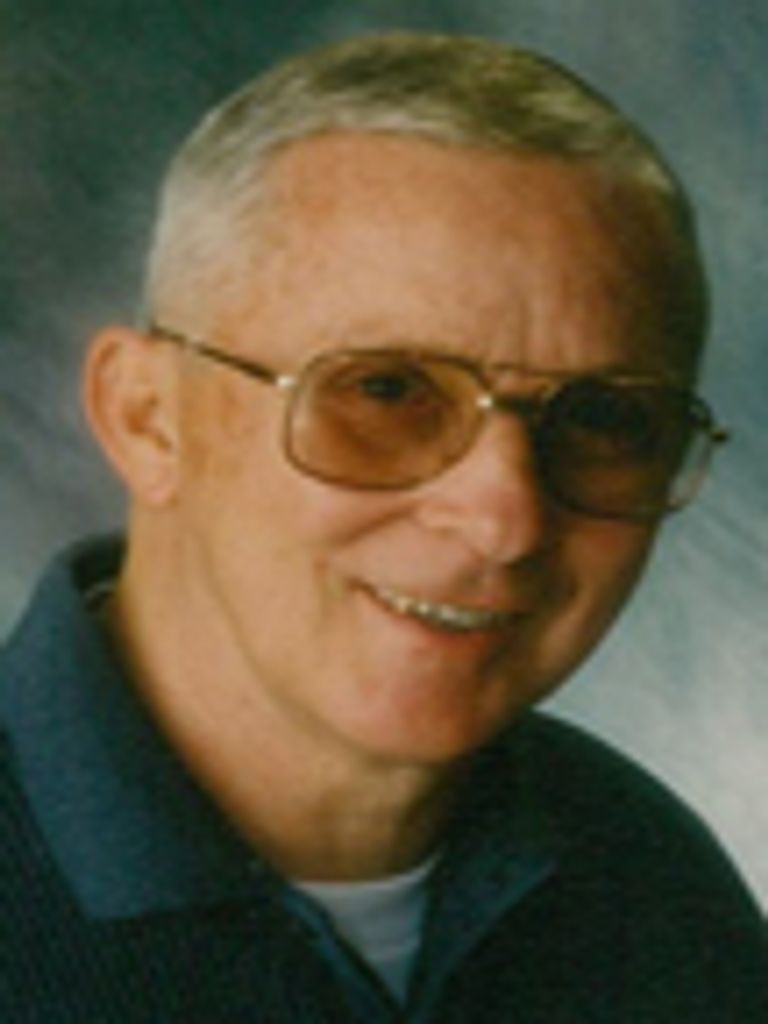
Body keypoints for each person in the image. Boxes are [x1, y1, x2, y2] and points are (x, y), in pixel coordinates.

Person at [1, 32, 765, 1023]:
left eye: (604, 420)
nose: (504, 519)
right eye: (387, 390)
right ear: (148, 418)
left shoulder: (651, 884)